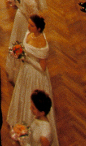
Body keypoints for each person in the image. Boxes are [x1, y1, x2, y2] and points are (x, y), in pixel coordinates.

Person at [6, 15, 58, 143]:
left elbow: (42, 67)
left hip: (35, 75)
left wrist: (26, 58)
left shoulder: (42, 43)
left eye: (31, 25)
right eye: (29, 24)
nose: (28, 27)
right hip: (25, 71)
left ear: (39, 28)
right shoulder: (29, 33)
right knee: (22, 96)